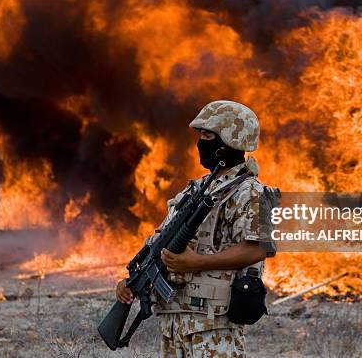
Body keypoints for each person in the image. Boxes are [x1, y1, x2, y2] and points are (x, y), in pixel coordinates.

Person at [116, 100, 276, 357]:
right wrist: (131, 282)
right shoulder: (194, 190)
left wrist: (196, 262)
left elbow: (257, 250)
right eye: (200, 135)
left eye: (208, 135)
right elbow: (160, 241)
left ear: (229, 140)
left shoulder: (253, 192)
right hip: (175, 322)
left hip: (214, 325)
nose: (201, 142)